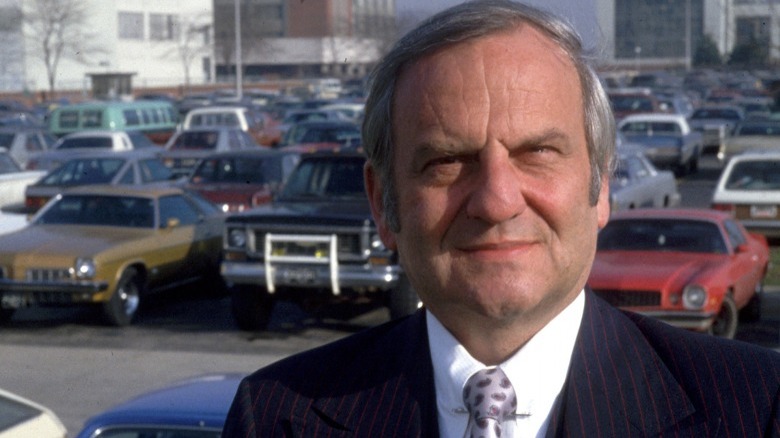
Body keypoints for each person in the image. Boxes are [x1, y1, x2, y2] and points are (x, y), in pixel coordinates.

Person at [222, 1, 780, 436]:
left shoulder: (754, 407)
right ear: (383, 202)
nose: (495, 200)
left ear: (602, 185)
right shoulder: (274, 415)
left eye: (537, 152)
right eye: (445, 161)